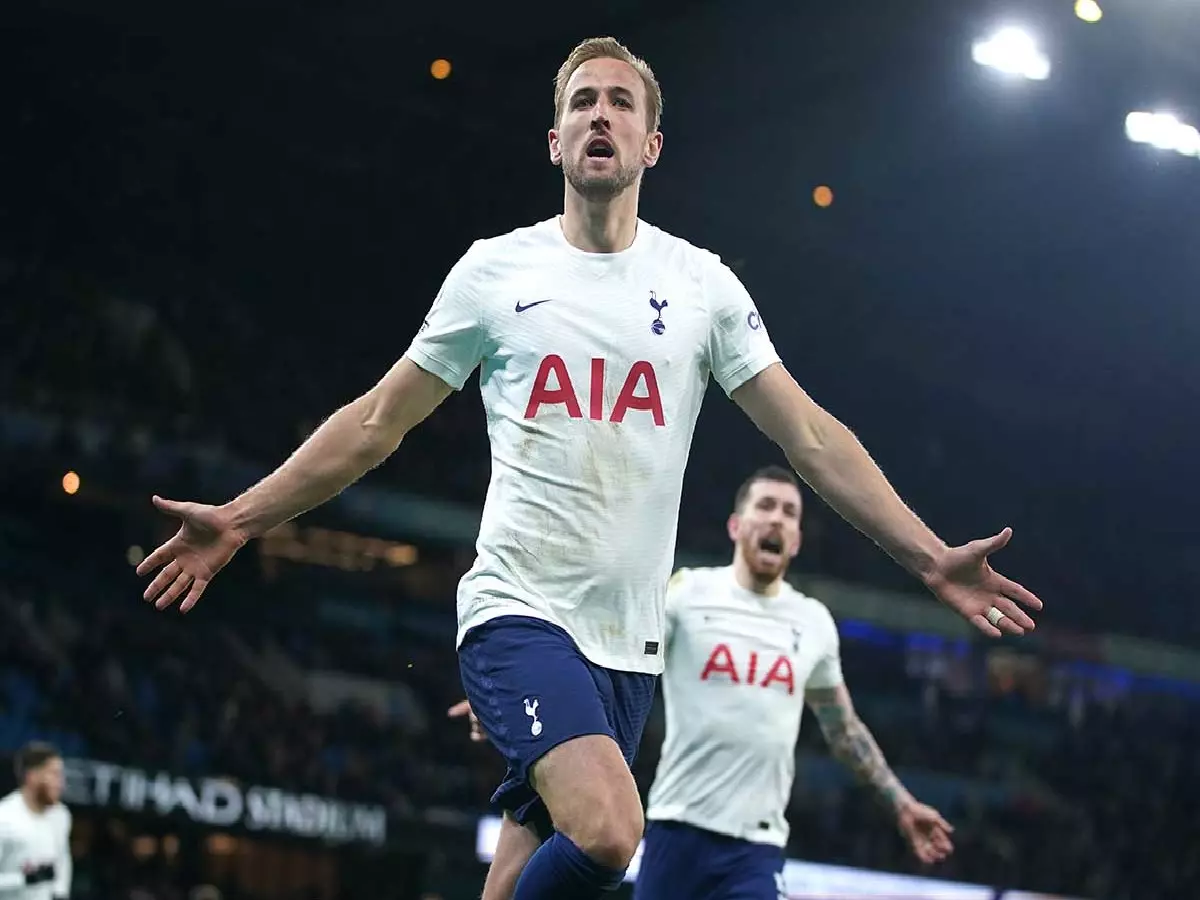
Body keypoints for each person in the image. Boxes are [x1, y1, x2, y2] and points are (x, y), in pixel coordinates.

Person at [136, 36, 1042, 900]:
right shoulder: (495, 273)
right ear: (555, 139)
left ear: (651, 142)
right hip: (517, 612)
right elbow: (376, 422)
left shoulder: (702, 288)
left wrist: (928, 556)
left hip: (629, 649)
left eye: (620, 103)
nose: (599, 115)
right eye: (581, 102)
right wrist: (243, 518)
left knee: (520, 873)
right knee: (611, 832)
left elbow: (809, 435)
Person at [449, 466, 954, 899]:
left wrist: (902, 804)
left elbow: (843, 730)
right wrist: (513, 697)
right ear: (737, 525)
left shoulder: (814, 622)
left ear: (797, 540)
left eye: (790, 512)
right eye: (766, 506)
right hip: (675, 832)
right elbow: (603, 646)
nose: (777, 518)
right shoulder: (688, 594)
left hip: (757, 848)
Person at [0, 742, 73, 900]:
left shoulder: (61, 815)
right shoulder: (4, 818)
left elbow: (62, 861)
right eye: (54, 774)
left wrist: (61, 893)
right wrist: (25, 879)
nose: (61, 783)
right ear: (32, 776)